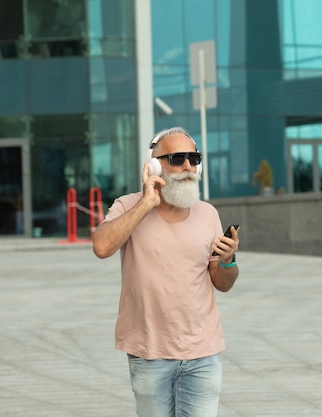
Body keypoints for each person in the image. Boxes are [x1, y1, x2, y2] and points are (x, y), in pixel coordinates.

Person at [92, 126, 240, 417]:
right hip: (150, 352)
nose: (187, 165)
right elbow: (102, 247)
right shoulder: (127, 205)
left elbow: (222, 283)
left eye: (193, 158)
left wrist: (227, 261)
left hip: (202, 353)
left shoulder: (208, 213)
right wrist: (147, 203)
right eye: (177, 158)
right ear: (155, 164)